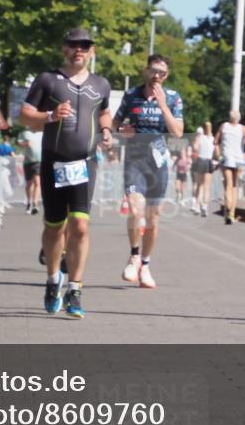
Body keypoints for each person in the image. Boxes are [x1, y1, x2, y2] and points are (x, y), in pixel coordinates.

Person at [19, 28, 113, 319]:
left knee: (81, 226)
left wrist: (106, 130)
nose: (78, 50)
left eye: (85, 46)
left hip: (86, 163)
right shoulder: (47, 79)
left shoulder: (101, 84)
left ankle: (75, 288)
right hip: (54, 163)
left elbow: (104, 112)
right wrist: (50, 115)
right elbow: (24, 116)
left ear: (92, 51)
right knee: (54, 227)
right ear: (64, 49)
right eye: (73, 45)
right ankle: (52, 281)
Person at [113, 54, 184, 289]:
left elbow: (178, 132)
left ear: (166, 75)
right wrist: (122, 130)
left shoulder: (173, 98)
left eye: (161, 73)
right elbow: (114, 125)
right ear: (146, 70)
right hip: (135, 160)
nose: (156, 76)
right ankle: (134, 255)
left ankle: (145, 264)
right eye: (153, 70)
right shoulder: (131, 95)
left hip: (158, 164)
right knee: (135, 210)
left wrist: (162, 105)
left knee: (153, 219)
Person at [214, 110, 245, 224]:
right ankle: (231, 214)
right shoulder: (243, 128)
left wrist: (218, 155)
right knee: (235, 186)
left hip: (227, 158)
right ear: (239, 118)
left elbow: (215, 141)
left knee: (228, 185)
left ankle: (228, 206)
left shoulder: (223, 126)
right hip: (238, 159)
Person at [190, 123, 215, 216]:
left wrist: (196, 141)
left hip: (201, 160)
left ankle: (197, 206)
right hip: (209, 161)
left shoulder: (200, 137)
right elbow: (215, 151)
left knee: (199, 185)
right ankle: (205, 206)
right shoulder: (212, 139)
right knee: (207, 187)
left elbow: (195, 147)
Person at [18, 129, 43, 215]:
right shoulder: (25, 133)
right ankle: (29, 202)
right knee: (29, 183)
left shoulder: (41, 133)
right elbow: (19, 143)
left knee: (37, 182)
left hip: (38, 161)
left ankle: (35, 203)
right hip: (28, 161)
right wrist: (26, 143)